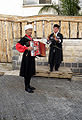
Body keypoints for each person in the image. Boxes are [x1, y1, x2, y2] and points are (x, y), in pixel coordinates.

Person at [16, 24, 36, 93]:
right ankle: (26, 87)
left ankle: (29, 85)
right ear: (26, 31)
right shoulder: (24, 39)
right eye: (29, 30)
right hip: (27, 57)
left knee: (30, 71)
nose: (30, 31)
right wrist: (26, 48)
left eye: (31, 30)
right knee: (27, 71)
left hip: (31, 57)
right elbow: (17, 45)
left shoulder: (31, 38)